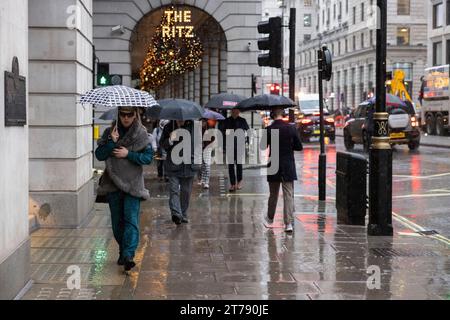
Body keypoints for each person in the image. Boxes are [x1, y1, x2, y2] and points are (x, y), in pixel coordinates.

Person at [95, 106, 153, 272]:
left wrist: (128, 154)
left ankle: (128, 255)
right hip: (112, 184)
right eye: (123, 114)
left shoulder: (141, 134)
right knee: (117, 224)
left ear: (135, 115)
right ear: (119, 115)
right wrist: (111, 142)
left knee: (131, 221)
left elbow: (148, 158)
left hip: (133, 185)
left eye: (129, 115)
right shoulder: (109, 133)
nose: (126, 118)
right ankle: (123, 251)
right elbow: (99, 155)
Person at [263, 107, 303, 233]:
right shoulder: (291, 128)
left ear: (272, 115)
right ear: (283, 114)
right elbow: (299, 146)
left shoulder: (269, 129)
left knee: (273, 194)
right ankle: (288, 224)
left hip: (273, 164)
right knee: (288, 195)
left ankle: (270, 218)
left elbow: (263, 145)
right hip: (287, 164)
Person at [160, 120, 201, 225]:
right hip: (173, 165)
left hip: (189, 165)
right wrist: (170, 139)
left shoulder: (194, 127)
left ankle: (183, 213)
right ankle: (176, 214)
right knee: (174, 190)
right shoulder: (169, 126)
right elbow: (163, 145)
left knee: (186, 192)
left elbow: (199, 144)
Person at [222, 108, 249, 192]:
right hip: (229, 145)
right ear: (231, 111)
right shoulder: (227, 121)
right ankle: (232, 184)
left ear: (238, 112)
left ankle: (239, 182)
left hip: (240, 146)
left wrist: (247, 141)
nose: (235, 112)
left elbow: (248, 131)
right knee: (230, 166)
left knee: (239, 165)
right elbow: (222, 134)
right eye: (233, 111)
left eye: (236, 111)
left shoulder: (242, 120)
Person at [198, 118, 217, 189]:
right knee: (201, 165)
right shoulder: (197, 128)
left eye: (203, 122)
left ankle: (206, 182)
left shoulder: (210, 127)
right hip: (199, 148)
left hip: (207, 148)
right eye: (201, 122)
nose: (202, 123)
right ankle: (202, 178)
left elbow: (213, 138)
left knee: (207, 165)